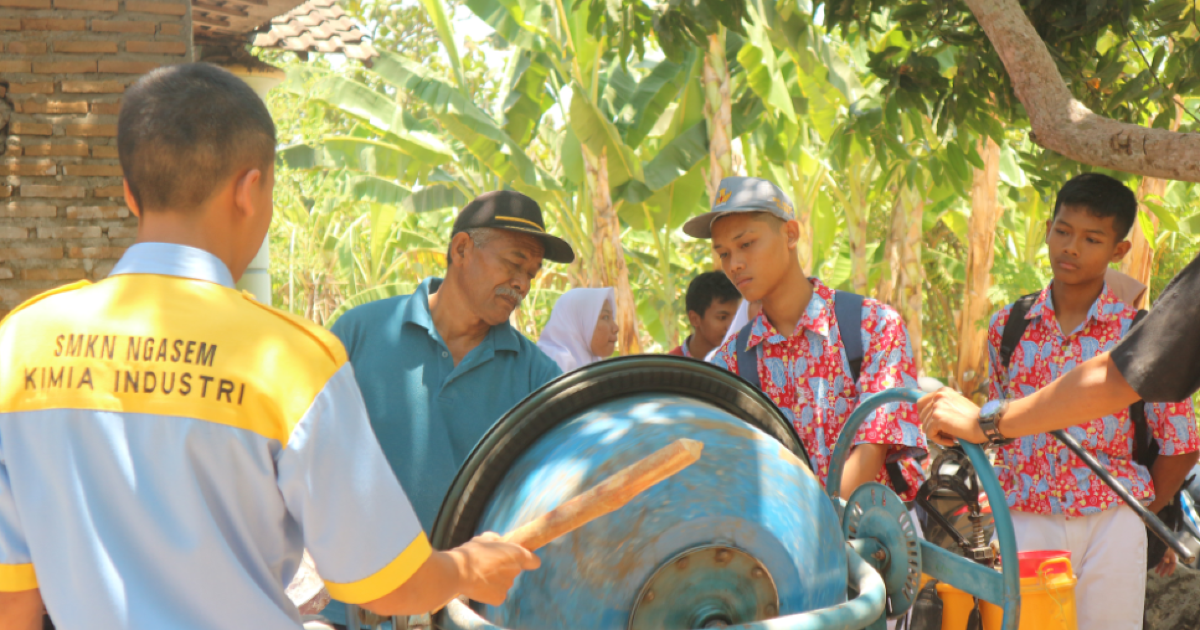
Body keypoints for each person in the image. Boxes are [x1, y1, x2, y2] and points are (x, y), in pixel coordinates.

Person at [0, 64, 538, 630]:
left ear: (131, 194)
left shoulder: (19, 347)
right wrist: (466, 569)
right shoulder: (288, 360)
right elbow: (386, 584)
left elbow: (13, 601)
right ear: (249, 189)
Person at [329, 191, 572, 628]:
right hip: (357, 609)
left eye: (532, 273)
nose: (523, 284)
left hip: (472, 615)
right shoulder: (360, 335)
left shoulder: (538, 377)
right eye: (513, 263)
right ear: (461, 249)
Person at [975, 173, 1198, 630]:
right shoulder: (1009, 326)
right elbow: (996, 421)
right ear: (1047, 229)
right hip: (1024, 517)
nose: (1071, 247)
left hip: (1111, 523)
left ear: (1119, 249)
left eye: (1092, 238)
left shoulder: (1139, 336)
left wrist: (1136, 511)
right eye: (1063, 231)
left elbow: (1182, 442)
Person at [685, 176, 927, 502]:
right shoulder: (729, 364)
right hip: (780, 548)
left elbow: (872, 446)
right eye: (724, 253)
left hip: (878, 544)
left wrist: (815, 526)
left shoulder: (873, 326)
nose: (735, 264)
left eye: (746, 244)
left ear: (790, 234)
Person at [537, 287, 619, 373]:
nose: (616, 328)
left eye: (612, 318)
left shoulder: (592, 362)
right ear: (580, 322)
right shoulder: (549, 367)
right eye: (605, 317)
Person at [668, 271, 740, 359]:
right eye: (722, 317)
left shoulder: (744, 362)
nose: (731, 326)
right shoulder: (670, 366)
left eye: (737, 317)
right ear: (694, 319)